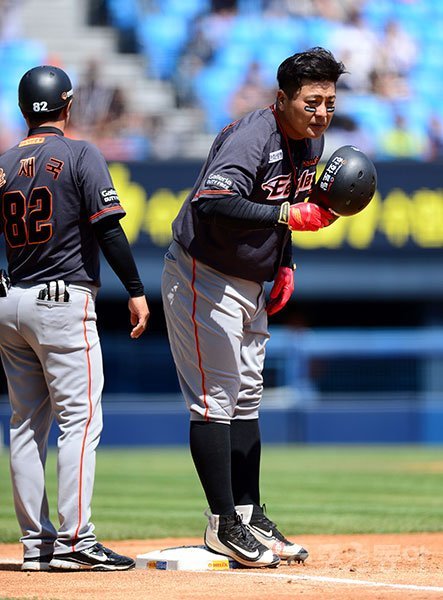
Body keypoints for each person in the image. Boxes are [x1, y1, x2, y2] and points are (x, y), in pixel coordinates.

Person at [161, 47, 345, 568]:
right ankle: (222, 525)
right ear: (282, 98)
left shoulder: (312, 140)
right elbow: (212, 202)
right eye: (312, 101)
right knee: (215, 400)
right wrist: (287, 214)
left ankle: (248, 512)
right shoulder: (252, 136)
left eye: (330, 101)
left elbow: (285, 209)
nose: (321, 112)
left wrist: (284, 262)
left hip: (251, 280)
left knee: (246, 399)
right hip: (204, 275)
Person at [0, 65, 150, 571]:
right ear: (67, 106)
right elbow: (108, 231)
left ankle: (36, 546)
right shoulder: (80, 153)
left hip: (9, 300)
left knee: (24, 426)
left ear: (25, 110)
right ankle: (74, 543)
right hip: (61, 301)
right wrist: (135, 289)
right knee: (80, 421)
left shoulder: (1, 164)